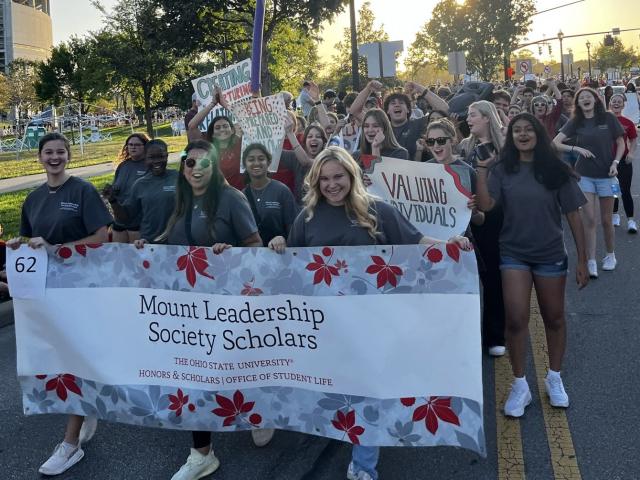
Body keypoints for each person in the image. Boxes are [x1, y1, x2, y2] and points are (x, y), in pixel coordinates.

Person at [273, 146, 471, 479]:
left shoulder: (379, 210)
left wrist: (449, 244)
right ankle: (349, 436)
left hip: (374, 321)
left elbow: (416, 240)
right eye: (324, 179)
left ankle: (364, 465)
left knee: (369, 392)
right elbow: (289, 265)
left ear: (351, 175)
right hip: (327, 324)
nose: (332, 185)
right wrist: (276, 243)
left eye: (338, 176)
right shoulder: (305, 218)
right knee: (337, 390)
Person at [135, 140, 262, 480]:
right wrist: (149, 246)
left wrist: (230, 251)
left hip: (228, 305)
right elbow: (175, 237)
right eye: (189, 162)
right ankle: (202, 453)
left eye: (204, 163)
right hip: (190, 308)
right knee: (195, 376)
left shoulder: (232, 199)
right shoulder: (184, 199)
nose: (196, 169)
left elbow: (256, 248)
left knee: (234, 368)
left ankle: (258, 409)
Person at [7, 133, 112, 476]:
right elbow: (29, 240)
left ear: (69, 156)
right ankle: (84, 408)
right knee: (57, 359)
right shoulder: (33, 199)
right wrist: (17, 247)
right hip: (46, 294)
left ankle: (70, 444)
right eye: (48, 152)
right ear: (39, 157)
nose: (55, 157)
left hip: (81, 290)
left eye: (61, 152)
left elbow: (101, 237)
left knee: (73, 359)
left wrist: (58, 248)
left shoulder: (81, 191)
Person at [475, 113, 588, 417]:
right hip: (513, 253)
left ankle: (554, 377)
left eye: (528, 130)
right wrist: (482, 172)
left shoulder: (554, 169)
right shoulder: (502, 169)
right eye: (517, 131)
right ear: (510, 137)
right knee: (515, 319)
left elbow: (574, 216)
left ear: (538, 134)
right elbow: (486, 206)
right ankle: (520, 384)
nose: (523, 135)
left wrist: (584, 260)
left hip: (550, 253)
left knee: (554, 318)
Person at [553, 87, 625, 277]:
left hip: (607, 176)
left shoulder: (608, 118)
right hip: (584, 176)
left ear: (595, 100)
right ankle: (591, 260)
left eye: (588, 96)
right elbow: (556, 142)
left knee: (606, 220)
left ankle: (610, 255)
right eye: (581, 98)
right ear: (578, 103)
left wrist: (616, 163)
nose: (585, 99)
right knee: (590, 220)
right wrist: (575, 149)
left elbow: (621, 142)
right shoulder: (576, 122)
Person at [459, 100, 507, 357]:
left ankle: (495, 334)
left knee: (493, 279)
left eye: (473, 114)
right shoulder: (464, 147)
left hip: (494, 221)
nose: (468, 118)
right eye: (468, 114)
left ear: (487, 118)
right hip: (465, 219)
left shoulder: (504, 148)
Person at [106, 139, 179, 243]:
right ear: (145, 158)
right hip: (150, 242)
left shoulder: (178, 177)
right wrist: (113, 200)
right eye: (151, 157)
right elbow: (125, 217)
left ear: (167, 156)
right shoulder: (140, 184)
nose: (156, 161)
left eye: (161, 156)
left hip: (177, 241)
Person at [241, 142, 298, 249]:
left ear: (269, 162)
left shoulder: (282, 191)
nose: (256, 163)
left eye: (261, 158)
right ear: (244, 164)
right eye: (251, 159)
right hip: (251, 259)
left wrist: (283, 239)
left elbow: (294, 229)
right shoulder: (241, 196)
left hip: (280, 255)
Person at [187, 87, 244, 190]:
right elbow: (192, 126)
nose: (222, 129)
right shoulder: (207, 148)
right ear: (212, 134)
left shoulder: (240, 143)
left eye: (225, 126)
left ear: (232, 130)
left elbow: (247, 119)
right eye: (217, 128)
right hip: (216, 196)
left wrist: (224, 103)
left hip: (240, 195)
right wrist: (212, 103)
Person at [102, 133, 149, 243]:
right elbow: (117, 186)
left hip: (138, 222)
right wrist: (110, 191)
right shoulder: (123, 165)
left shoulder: (149, 165)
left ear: (145, 146)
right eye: (130, 144)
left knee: (137, 257)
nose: (133, 147)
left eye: (137, 145)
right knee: (119, 257)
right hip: (119, 221)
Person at [608, 93, 638, 233]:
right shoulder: (604, 121)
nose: (616, 103)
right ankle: (615, 215)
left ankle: (631, 221)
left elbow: (633, 140)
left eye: (619, 101)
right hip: (608, 161)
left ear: (623, 105)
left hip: (624, 161)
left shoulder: (628, 122)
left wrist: (631, 153)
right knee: (613, 189)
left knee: (625, 190)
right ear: (609, 103)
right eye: (614, 101)